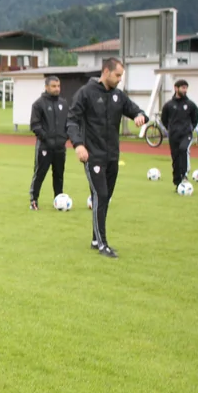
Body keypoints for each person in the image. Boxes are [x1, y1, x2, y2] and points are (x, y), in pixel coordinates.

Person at [66, 57, 147, 259]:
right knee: (100, 195)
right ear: (106, 71)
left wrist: (140, 115)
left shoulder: (119, 96)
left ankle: (95, 239)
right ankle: (103, 244)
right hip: (93, 156)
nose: (120, 79)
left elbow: (136, 110)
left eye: (121, 76)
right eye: (117, 75)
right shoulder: (86, 93)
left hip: (113, 157)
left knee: (105, 198)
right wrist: (78, 145)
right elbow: (72, 121)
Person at [29, 76, 68, 210]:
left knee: (59, 175)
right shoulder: (38, 104)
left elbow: (68, 123)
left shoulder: (63, 103)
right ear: (46, 87)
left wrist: (65, 137)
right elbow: (35, 125)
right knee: (39, 173)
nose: (57, 89)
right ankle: (33, 200)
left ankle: (59, 200)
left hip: (60, 147)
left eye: (58, 86)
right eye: (53, 86)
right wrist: (46, 138)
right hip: (44, 147)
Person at [160, 79, 198, 189]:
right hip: (173, 135)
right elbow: (164, 119)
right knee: (175, 158)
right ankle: (177, 182)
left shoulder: (190, 105)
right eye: (183, 87)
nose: (185, 90)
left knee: (183, 149)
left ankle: (185, 175)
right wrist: (170, 129)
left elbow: (195, 119)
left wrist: (190, 128)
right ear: (176, 88)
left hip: (186, 134)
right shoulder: (168, 105)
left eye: (186, 88)